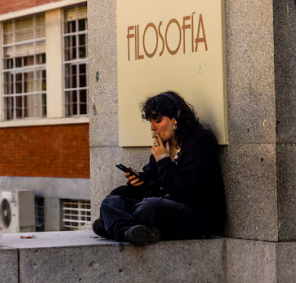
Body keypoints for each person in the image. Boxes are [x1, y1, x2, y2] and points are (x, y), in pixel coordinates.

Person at [92, 91, 226, 246]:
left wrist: (163, 159)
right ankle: (130, 232)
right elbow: (154, 185)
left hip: (197, 217)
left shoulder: (199, 143)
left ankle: (114, 227)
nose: (152, 127)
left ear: (176, 118)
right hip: (166, 207)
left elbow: (184, 192)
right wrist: (139, 182)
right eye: (150, 120)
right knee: (112, 201)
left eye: (157, 120)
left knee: (148, 208)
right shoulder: (165, 145)